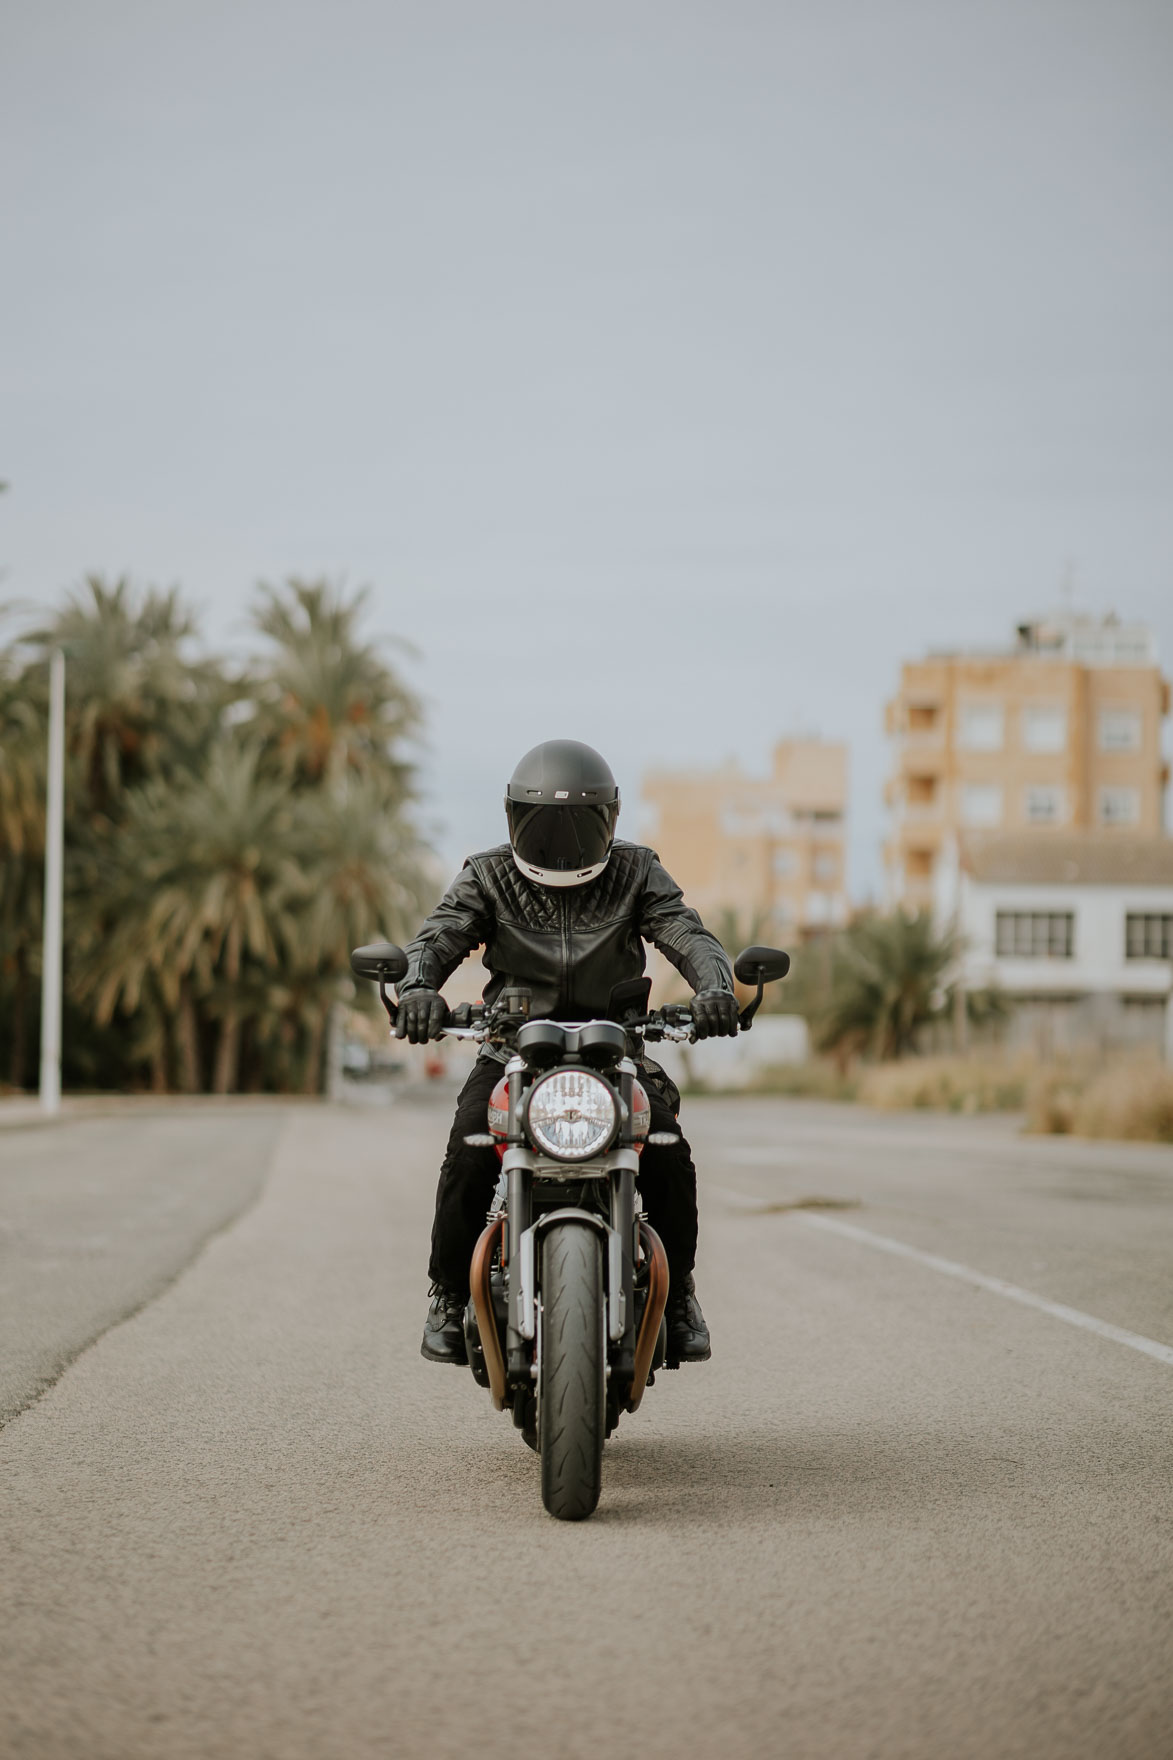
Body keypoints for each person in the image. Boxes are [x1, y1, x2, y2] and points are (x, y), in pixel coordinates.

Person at [395, 739, 739, 1367]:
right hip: (511, 1052)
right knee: (469, 1152)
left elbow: (685, 930)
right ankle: (448, 1295)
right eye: (546, 823)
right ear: (515, 819)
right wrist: (418, 987)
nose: (562, 838)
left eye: (577, 823)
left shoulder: (636, 870)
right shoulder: (487, 874)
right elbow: (438, 936)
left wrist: (715, 986)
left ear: (607, 819)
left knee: (666, 1152)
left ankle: (680, 1292)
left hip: (617, 1055)